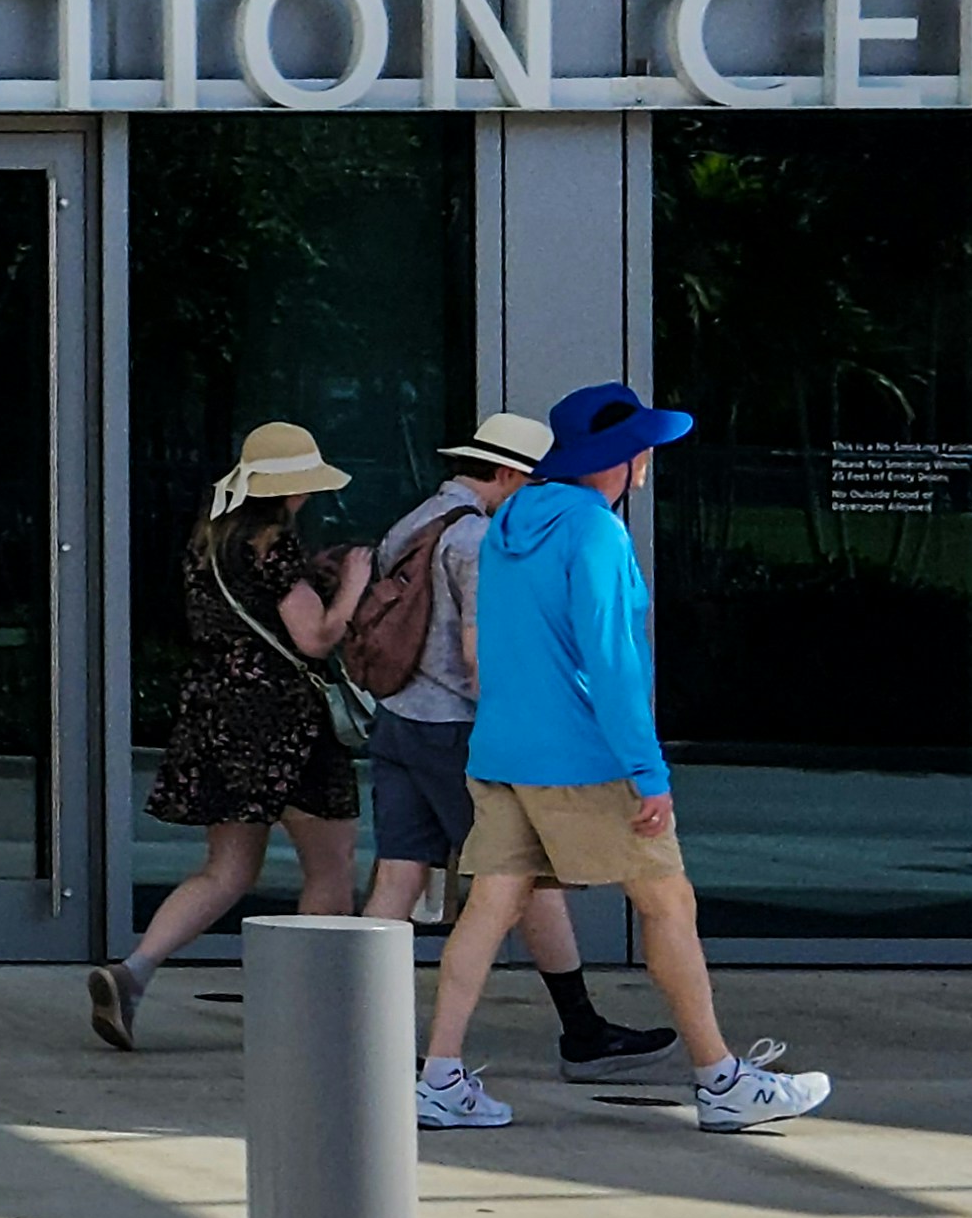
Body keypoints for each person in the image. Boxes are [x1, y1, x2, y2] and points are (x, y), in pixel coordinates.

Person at [415, 384, 828, 1135]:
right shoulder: (596, 535)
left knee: (491, 907)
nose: (648, 460)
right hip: (583, 759)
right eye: (644, 448)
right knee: (668, 902)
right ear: (625, 458)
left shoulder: (510, 524)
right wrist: (649, 771)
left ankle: (440, 1077)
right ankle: (721, 1078)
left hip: (504, 750)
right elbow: (611, 662)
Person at [352, 405, 656, 1081]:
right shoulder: (475, 539)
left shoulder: (416, 522)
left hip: (399, 718)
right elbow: (477, 652)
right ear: (509, 473)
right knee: (521, 879)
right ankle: (581, 1028)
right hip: (455, 726)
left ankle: (356, 1032)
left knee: (398, 877)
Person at [99, 422, 369, 1052]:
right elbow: (316, 637)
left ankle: (134, 972)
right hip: (283, 717)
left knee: (227, 868)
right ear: (290, 489)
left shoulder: (209, 541)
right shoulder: (272, 544)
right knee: (330, 867)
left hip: (216, 709)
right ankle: (312, 1017)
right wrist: (352, 582)